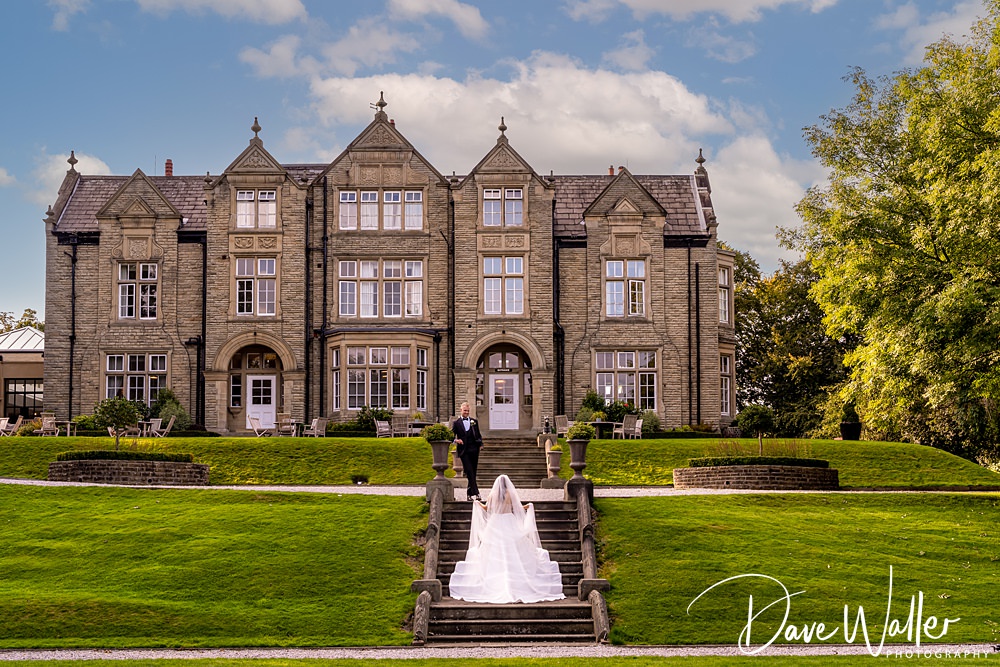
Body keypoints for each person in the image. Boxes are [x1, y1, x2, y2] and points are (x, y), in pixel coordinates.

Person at [448, 474, 566, 604]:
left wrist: (478, 504)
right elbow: (518, 508)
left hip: (495, 522)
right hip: (509, 521)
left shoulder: (493, 494)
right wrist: (529, 506)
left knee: (493, 549)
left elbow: (487, 508)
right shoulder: (510, 494)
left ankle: (493, 579)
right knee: (514, 547)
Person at [452, 402, 484, 501]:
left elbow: (478, 434)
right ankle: (477, 493)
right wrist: (456, 440)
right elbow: (451, 436)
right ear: (461, 410)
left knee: (473, 472)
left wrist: (481, 444)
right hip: (463, 450)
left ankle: (469, 495)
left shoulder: (474, 421)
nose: (466, 412)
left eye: (468, 411)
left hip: (474, 449)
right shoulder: (456, 423)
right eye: (465, 410)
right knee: (469, 470)